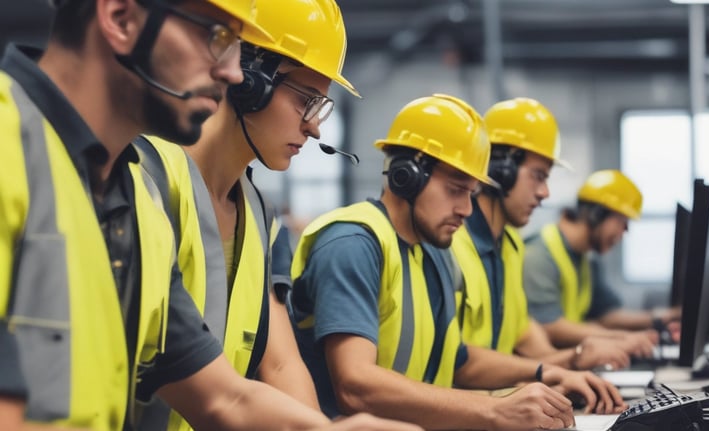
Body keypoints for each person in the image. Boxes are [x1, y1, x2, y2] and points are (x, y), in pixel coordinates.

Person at [0, 0, 420, 430]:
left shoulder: (136, 206)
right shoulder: (12, 151)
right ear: (120, 17)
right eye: (216, 37)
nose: (233, 73)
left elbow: (225, 397)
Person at [287, 93, 627, 430]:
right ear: (407, 176)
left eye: (471, 193)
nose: (466, 208)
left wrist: (544, 372)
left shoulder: (435, 251)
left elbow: (459, 361)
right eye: (455, 190)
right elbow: (355, 385)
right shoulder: (353, 245)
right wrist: (496, 410)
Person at [134, 0, 361, 428]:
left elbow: (280, 366)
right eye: (306, 101)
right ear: (249, 80)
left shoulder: (260, 217)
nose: (314, 127)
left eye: (321, 108)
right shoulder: (146, 181)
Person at [450, 98, 636, 378]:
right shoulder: (452, 244)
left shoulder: (510, 245)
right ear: (500, 169)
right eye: (538, 176)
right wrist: (566, 364)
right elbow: (456, 361)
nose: (544, 192)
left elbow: (522, 332)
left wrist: (566, 365)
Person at [523, 170, 679, 353]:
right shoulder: (540, 255)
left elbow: (606, 315)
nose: (624, 233)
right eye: (622, 222)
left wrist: (659, 319)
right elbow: (550, 326)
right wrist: (621, 339)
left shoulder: (586, 259)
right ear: (596, 214)